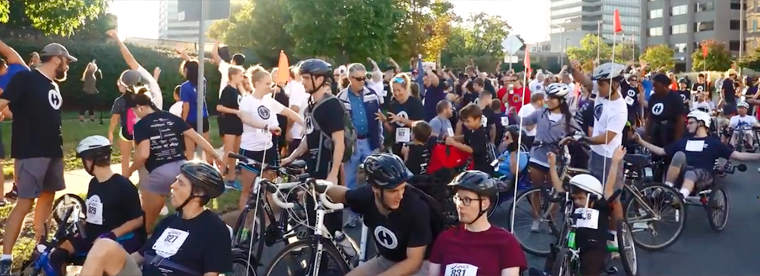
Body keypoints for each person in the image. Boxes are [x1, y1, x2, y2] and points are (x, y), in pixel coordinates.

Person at [78, 161, 232, 276]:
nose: (173, 186)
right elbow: (140, 256)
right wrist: (103, 264)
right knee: (105, 246)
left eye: (181, 184)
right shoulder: (170, 221)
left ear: (198, 194)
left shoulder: (215, 229)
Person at [319, 154, 436, 276]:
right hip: (387, 259)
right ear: (375, 187)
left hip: (420, 264)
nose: (400, 195)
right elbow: (344, 195)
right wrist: (319, 187)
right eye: (393, 191)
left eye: (402, 188)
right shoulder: (367, 195)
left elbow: (413, 263)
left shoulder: (417, 208)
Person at [127, 87, 224, 233]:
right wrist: (216, 156)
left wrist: (130, 170)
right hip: (182, 169)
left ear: (140, 107)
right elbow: (197, 137)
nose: (135, 114)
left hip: (159, 171)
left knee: (148, 220)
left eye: (134, 111)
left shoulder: (141, 125)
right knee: (187, 211)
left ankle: (146, 242)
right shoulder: (171, 117)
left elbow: (144, 154)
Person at [47, 136, 145, 275]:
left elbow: (138, 220)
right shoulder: (93, 183)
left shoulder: (124, 186)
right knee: (56, 255)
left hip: (116, 239)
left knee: (96, 263)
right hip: (92, 234)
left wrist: (111, 235)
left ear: (89, 160)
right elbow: (93, 214)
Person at [538, 146, 626, 276]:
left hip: (593, 243)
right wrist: (552, 165)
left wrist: (615, 161)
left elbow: (609, 185)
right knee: (555, 251)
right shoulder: (572, 204)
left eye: (581, 198)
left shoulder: (600, 205)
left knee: (591, 261)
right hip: (571, 239)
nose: (577, 201)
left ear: (592, 197)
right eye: (575, 198)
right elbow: (558, 187)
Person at [282, 58, 346, 237]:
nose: (302, 82)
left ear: (319, 80)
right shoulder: (310, 106)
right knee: (313, 221)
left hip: (327, 170)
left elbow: (339, 141)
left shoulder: (331, 105)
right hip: (314, 170)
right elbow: (307, 140)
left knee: (331, 225)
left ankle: (342, 261)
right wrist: (291, 157)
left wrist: (333, 174)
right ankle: (318, 263)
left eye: (306, 78)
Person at [632, 111, 760, 199]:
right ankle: (668, 189)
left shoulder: (713, 143)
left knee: (691, 173)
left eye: (691, 122)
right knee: (679, 155)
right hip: (683, 173)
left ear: (701, 123)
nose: (687, 125)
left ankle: (681, 197)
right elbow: (661, 151)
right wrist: (641, 141)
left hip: (704, 175)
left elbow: (738, 156)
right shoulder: (684, 141)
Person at [428, 170, 527, 276]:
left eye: (466, 200)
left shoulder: (506, 242)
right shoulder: (445, 238)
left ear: (485, 204)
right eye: (458, 198)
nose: (459, 205)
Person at [236, 66, 302, 211]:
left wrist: (306, 124)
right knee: (248, 190)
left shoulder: (269, 101)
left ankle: (267, 226)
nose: (271, 86)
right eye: (267, 83)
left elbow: (289, 113)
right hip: (251, 150)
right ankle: (244, 228)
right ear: (258, 83)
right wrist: (267, 126)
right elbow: (247, 119)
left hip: (268, 150)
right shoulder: (247, 101)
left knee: (269, 189)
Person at [519, 83, 579, 222]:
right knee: (536, 190)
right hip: (538, 155)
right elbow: (526, 121)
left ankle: (551, 220)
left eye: (552, 98)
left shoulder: (568, 118)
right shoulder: (540, 113)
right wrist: (513, 114)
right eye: (548, 97)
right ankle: (536, 219)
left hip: (555, 159)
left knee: (555, 192)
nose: (548, 100)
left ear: (561, 101)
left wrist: (570, 139)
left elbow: (579, 133)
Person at [0, 39, 28, 204]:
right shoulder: (18, 65)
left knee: (20, 154)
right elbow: (4, 47)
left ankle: (18, 188)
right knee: (23, 155)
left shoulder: (1, 85)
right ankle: (18, 188)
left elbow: (5, 111)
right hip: (39, 112)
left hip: (23, 118)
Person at [379, 74, 425, 156]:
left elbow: (421, 126)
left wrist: (401, 120)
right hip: (396, 147)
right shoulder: (393, 105)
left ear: (406, 89)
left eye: (399, 90)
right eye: (394, 90)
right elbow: (393, 130)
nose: (396, 93)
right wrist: (384, 121)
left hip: (412, 147)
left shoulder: (415, 103)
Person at [216, 65, 246, 189]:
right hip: (229, 123)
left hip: (238, 124)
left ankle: (231, 178)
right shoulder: (227, 90)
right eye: (240, 75)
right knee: (228, 152)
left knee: (235, 153)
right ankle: (218, 178)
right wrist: (235, 112)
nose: (243, 78)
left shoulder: (238, 89)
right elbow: (219, 107)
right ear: (233, 76)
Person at [178, 60, 212, 163]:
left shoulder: (185, 87)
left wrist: (182, 122)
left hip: (190, 119)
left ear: (187, 70)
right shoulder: (203, 81)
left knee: (190, 148)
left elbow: (186, 105)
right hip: (203, 116)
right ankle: (211, 165)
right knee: (207, 145)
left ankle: (191, 170)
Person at [445, 104, 492, 173]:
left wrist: (454, 143)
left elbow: (471, 149)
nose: (465, 124)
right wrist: (453, 138)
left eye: (468, 121)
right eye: (464, 121)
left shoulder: (480, 133)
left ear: (478, 119)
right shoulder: (472, 130)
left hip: (481, 169)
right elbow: (465, 137)